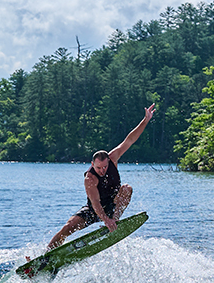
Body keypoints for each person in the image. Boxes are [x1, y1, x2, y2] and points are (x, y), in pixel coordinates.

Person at [47, 104, 156, 250]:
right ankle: (46, 255)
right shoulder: (90, 179)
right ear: (93, 164)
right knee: (68, 227)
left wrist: (145, 120)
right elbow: (96, 203)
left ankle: (115, 220)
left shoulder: (113, 158)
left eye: (105, 167)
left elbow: (129, 140)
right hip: (94, 210)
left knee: (127, 189)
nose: (103, 170)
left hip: (113, 205)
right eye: (99, 167)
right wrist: (105, 220)